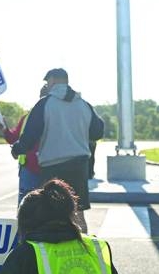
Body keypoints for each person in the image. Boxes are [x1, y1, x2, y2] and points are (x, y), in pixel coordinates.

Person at [11, 68, 104, 233]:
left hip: (53, 169)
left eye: (47, 82)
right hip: (79, 167)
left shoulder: (45, 104)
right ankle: (83, 250)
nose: (47, 85)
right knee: (78, 214)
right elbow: (97, 132)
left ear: (52, 80)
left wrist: (17, 149)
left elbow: (31, 135)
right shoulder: (84, 105)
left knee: (52, 216)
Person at [0, 82, 48, 205]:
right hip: (29, 170)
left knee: (41, 208)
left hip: (48, 169)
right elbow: (14, 138)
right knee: (26, 207)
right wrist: (5, 130)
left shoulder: (56, 117)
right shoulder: (27, 117)